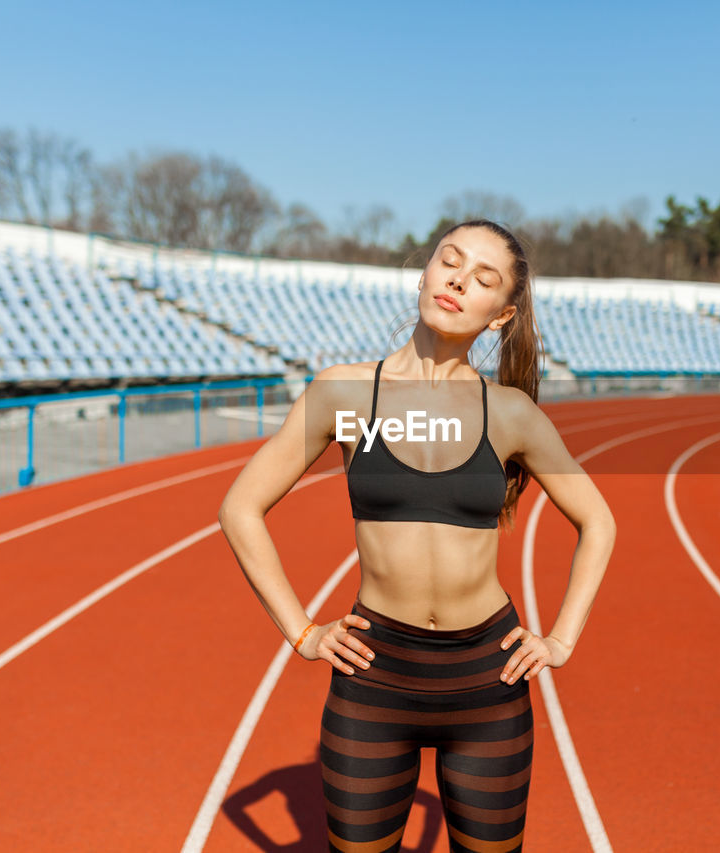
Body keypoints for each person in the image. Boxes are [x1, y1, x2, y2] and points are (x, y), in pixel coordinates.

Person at [218, 219, 616, 852]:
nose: (459, 279)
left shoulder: (510, 413)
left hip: (488, 682)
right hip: (374, 675)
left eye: (483, 278)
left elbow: (598, 521)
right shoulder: (344, 394)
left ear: (501, 315)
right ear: (426, 271)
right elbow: (241, 507)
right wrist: (302, 631)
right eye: (449, 261)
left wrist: (562, 638)